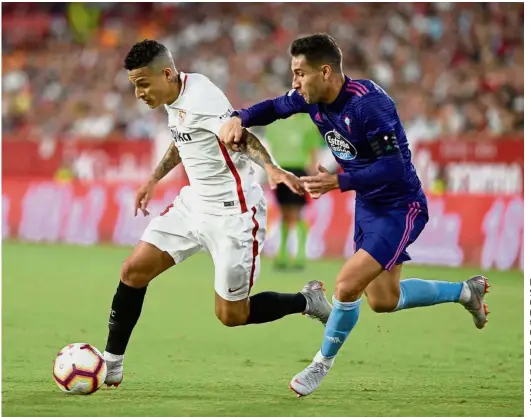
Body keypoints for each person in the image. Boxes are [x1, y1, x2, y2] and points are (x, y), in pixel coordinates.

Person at [219, 33, 490, 397]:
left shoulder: (369, 107)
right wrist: (240, 117)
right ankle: (465, 292)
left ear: (326, 71)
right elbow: (273, 107)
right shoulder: (309, 98)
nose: (295, 82)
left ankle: (320, 364)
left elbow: (393, 168)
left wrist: (339, 182)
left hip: (400, 206)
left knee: (346, 285)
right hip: (368, 206)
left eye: (300, 73)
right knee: (383, 300)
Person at [103, 39, 332, 387]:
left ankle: (307, 300)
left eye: (143, 84)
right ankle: (111, 364)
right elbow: (184, 137)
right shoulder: (174, 97)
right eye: (135, 86)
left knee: (231, 315)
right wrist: (153, 178)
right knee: (133, 271)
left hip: (234, 214)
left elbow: (241, 136)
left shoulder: (203, 98)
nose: (139, 94)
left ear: (166, 73)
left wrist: (271, 168)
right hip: (194, 204)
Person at [263, 113, 322, 270]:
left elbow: (313, 149)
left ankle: (300, 254)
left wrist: (314, 172)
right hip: (280, 171)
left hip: (299, 170)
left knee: (296, 213)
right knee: (284, 213)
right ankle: (282, 254)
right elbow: (270, 149)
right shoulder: (274, 123)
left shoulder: (307, 122)